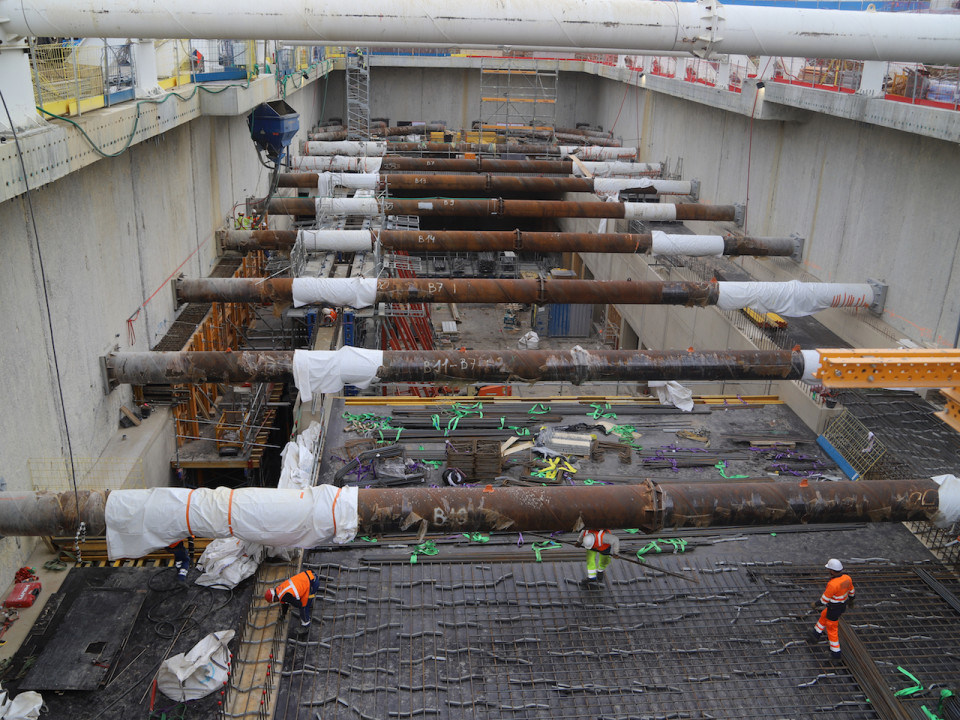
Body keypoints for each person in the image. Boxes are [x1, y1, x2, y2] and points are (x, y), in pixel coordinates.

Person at [807, 558, 855, 660]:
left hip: (834, 608)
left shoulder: (833, 584)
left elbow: (824, 600)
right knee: (824, 614)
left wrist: (815, 604)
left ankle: (836, 654)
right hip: (841, 606)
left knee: (832, 630)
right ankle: (815, 634)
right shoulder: (847, 578)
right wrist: (851, 601)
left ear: (832, 571)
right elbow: (852, 591)